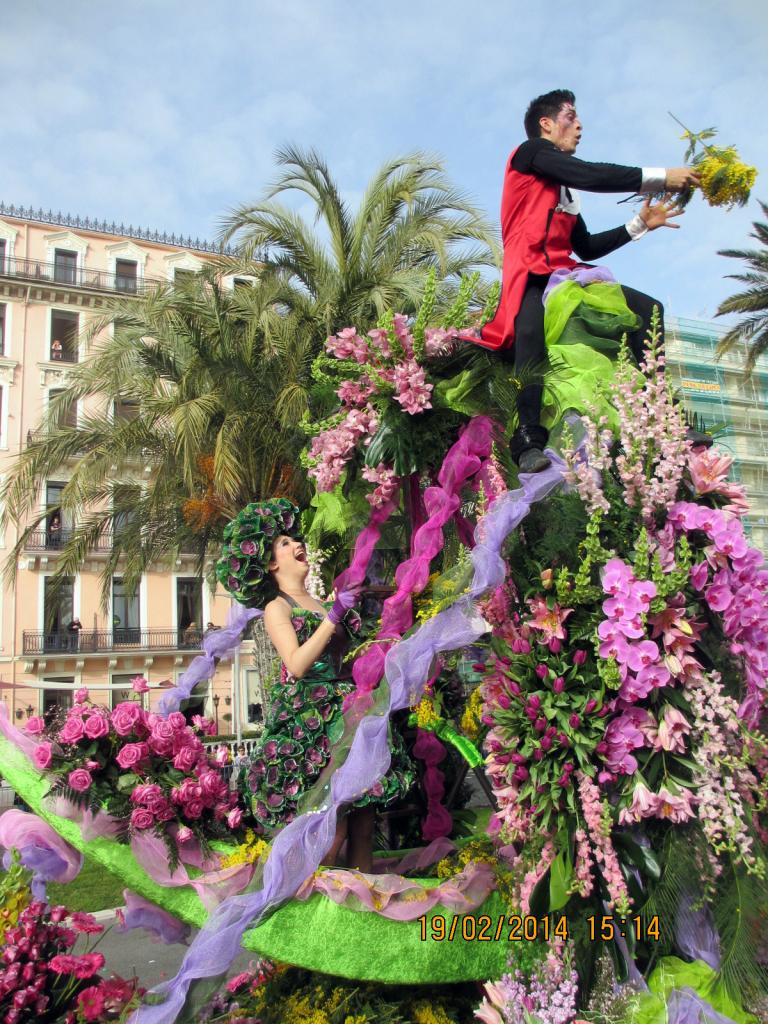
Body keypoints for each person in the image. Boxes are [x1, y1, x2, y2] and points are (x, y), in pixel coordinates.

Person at [468, 88, 708, 473]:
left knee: (650, 311)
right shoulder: (528, 154)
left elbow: (587, 246)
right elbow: (591, 174)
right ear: (545, 124)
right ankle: (527, 440)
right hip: (529, 274)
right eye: (570, 117)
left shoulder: (564, 191)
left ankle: (662, 418)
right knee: (530, 338)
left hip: (566, 275)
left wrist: (638, 225)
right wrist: (662, 177)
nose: (579, 126)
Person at [217, 498, 414, 872]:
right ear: (272, 563)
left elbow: (350, 656)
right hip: (313, 721)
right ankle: (308, 909)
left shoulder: (322, 603)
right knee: (332, 826)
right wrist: (335, 614)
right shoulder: (278, 606)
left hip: (351, 714)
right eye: (284, 543)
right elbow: (296, 663)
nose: (296, 544)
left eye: (295, 538)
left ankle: (358, 911)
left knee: (362, 823)